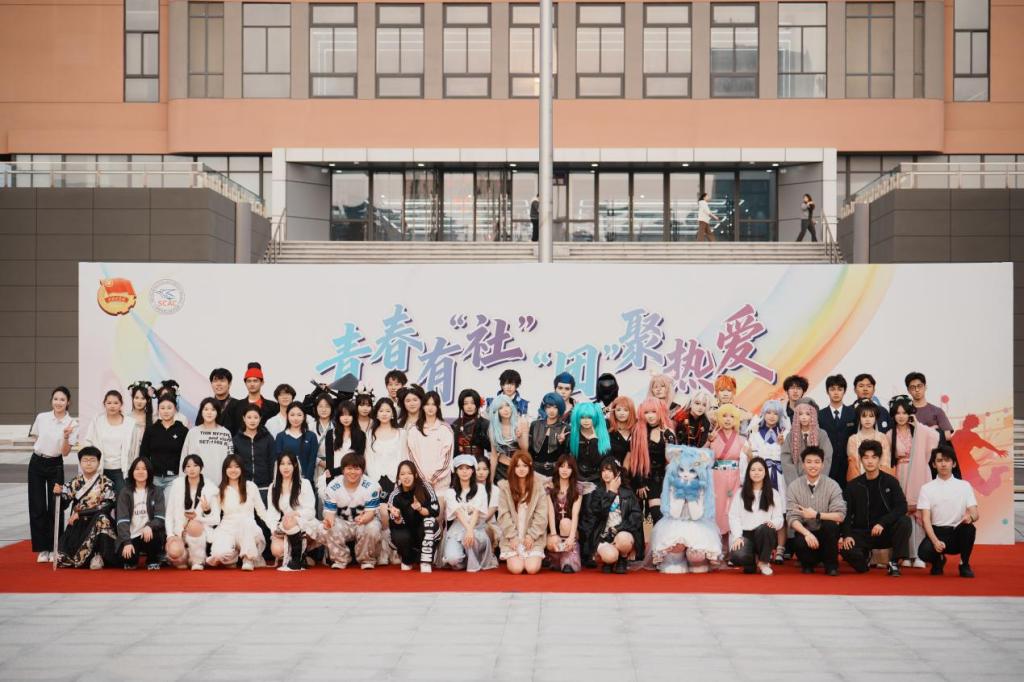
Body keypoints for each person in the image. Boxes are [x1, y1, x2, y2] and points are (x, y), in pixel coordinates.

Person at [840, 440, 912, 577]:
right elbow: (846, 514)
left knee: (904, 521)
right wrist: (847, 535)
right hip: (862, 533)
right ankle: (864, 559)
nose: (870, 461)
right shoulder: (853, 486)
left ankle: (894, 562)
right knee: (846, 549)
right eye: (866, 457)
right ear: (861, 460)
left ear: (879, 459)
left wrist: (882, 522)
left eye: (874, 457)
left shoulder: (890, 481)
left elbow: (902, 506)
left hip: (885, 531)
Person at [648, 445, 721, 574]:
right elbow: (674, 513)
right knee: (674, 548)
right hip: (675, 523)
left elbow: (696, 515)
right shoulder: (673, 487)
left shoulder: (701, 488)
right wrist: (681, 496)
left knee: (697, 555)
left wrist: (691, 497)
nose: (686, 474)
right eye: (681, 470)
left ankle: (694, 562)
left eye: (692, 471)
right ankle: (677, 561)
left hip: (697, 524)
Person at [28, 386, 78, 563]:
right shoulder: (42, 417)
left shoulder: (72, 424)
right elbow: (36, 439)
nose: (58, 402)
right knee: (37, 506)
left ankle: (55, 547)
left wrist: (66, 437)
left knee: (55, 506)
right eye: (56, 399)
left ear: (68, 402)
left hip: (55, 464)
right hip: (36, 462)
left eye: (62, 400)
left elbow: (65, 452)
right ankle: (43, 549)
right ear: (51, 400)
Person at [889, 395, 939, 568]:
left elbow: (935, 437)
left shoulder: (918, 431)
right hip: (900, 474)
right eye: (897, 413)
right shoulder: (889, 434)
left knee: (920, 512)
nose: (901, 416)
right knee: (903, 513)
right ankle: (905, 554)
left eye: (904, 412)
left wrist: (917, 424)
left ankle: (919, 555)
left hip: (919, 472)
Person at [917, 445, 979, 578]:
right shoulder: (926, 488)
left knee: (969, 529)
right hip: (937, 532)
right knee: (923, 553)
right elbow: (926, 519)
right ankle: (938, 560)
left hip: (956, 532)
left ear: (954, 463)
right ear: (934, 464)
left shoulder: (964, 486)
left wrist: (970, 518)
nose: (943, 464)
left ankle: (964, 564)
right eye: (939, 461)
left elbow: (975, 513)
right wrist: (935, 541)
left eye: (947, 460)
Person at [786, 446, 846, 576]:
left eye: (817, 462)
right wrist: (807, 533)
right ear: (803, 464)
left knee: (831, 526)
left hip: (825, 535)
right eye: (809, 462)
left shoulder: (832, 485)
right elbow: (791, 517)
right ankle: (808, 564)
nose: (813, 466)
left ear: (823, 465)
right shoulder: (794, 486)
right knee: (799, 540)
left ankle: (831, 566)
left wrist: (816, 515)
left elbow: (840, 515)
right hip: (806, 533)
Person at [55, 446, 117, 569]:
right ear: (80, 463)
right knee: (61, 558)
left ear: (99, 462)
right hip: (79, 523)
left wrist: (81, 513)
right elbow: (63, 504)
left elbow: (106, 506)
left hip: (98, 521)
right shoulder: (75, 482)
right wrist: (58, 493)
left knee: (102, 519)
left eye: (92, 460)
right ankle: (88, 558)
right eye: (85, 460)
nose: (88, 463)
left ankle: (98, 555)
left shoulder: (106, 482)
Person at [743, 400, 789, 563]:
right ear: (763, 414)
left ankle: (781, 549)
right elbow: (750, 456)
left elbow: (790, 456)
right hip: (762, 475)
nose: (772, 416)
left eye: (775, 413)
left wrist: (784, 445)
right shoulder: (755, 433)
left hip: (780, 476)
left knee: (781, 512)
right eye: (768, 412)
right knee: (762, 510)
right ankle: (765, 548)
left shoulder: (785, 433)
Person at [580, 456, 643, 574]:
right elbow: (598, 514)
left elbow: (636, 517)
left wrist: (619, 528)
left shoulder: (627, 492)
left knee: (624, 540)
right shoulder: (597, 492)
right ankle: (610, 560)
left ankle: (622, 558)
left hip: (622, 533)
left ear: (617, 472)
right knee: (610, 557)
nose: (606, 473)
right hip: (603, 536)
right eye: (603, 470)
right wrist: (611, 493)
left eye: (609, 470)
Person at [321, 452, 384, 570]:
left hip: (364, 520)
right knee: (330, 527)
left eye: (357, 469)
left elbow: (370, 513)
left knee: (372, 527)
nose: (353, 472)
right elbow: (330, 513)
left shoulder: (371, 486)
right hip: (343, 522)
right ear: (343, 470)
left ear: (362, 470)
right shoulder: (333, 486)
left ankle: (366, 559)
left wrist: (363, 519)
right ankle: (340, 559)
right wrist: (329, 521)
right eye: (349, 468)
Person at [207, 454, 270, 571]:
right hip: (227, 528)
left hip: (249, 529)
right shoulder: (220, 490)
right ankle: (232, 558)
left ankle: (248, 559)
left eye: (236, 467)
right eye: (230, 467)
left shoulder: (250, 486)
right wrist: (207, 510)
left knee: (246, 522)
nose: (233, 470)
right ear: (225, 470)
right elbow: (215, 517)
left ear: (241, 469)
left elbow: (262, 512)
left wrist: (274, 528)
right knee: (218, 555)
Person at [728, 457, 784, 576]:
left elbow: (779, 518)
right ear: (748, 473)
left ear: (765, 472)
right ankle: (751, 562)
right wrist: (737, 537)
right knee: (737, 556)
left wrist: (773, 523)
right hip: (745, 535)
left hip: (764, 534)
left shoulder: (773, 493)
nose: (756, 473)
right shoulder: (740, 493)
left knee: (767, 528)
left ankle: (763, 562)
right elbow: (734, 517)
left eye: (760, 469)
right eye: (753, 470)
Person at [441, 454, 497, 572]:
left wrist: (470, 530)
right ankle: (466, 560)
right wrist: (468, 529)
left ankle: (475, 558)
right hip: (457, 530)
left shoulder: (480, 489)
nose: (464, 471)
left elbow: (476, 512)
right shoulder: (450, 492)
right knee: (452, 559)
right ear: (456, 471)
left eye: (468, 468)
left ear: (472, 471)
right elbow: (458, 513)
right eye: (461, 468)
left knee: (473, 537)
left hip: (476, 529)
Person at [496, 451, 549, 575]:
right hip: (512, 538)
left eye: (525, 466)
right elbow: (503, 515)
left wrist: (531, 536)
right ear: (513, 467)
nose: (521, 469)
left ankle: (531, 555)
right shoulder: (505, 487)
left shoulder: (538, 487)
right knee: (516, 569)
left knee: (531, 569)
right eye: (518, 466)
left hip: (533, 538)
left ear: (530, 466)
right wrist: (512, 537)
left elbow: (541, 515)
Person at [164, 454, 218, 571]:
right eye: (188, 466)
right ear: (184, 469)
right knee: (175, 553)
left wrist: (206, 511)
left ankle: (198, 560)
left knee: (194, 525)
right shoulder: (177, 485)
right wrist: (170, 535)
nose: (192, 469)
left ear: (201, 467)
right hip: (180, 530)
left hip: (200, 532)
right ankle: (185, 557)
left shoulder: (210, 488)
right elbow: (169, 513)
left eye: (195, 465)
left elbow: (216, 519)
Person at [625, 398, 676, 524]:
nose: (650, 416)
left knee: (662, 516)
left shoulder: (668, 432)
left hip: (662, 478)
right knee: (649, 516)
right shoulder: (637, 431)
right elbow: (634, 460)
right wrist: (640, 482)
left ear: (660, 411)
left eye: (654, 411)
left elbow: (672, 460)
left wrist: (669, 440)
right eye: (646, 412)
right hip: (643, 478)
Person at [266, 452, 319, 572]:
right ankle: (302, 557)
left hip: (304, 522)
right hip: (285, 525)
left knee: (290, 520)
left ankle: (297, 559)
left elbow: (311, 511)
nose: (286, 467)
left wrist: (295, 514)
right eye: (282, 464)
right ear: (278, 466)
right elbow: (271, 513)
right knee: (276, 550)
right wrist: (274, 529)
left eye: (289, 463)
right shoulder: (273, 487)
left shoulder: (304, 484)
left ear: (295, 465)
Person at [389, 460, 441, 572]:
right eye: (402, 474)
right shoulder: (395, 495)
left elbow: (435, 510)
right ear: (398, 477)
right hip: (407, 531)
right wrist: (397, 517)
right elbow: (394, 523)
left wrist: (420, 509)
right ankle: (407, 559)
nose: (406, 477)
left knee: (429, 522)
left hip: (425, 530)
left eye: (409, 473)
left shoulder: (425, 487)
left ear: (415, 475)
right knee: (399, 534)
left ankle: (426, 560)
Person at [115, 457, 166, 570]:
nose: (140, 472)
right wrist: (127, 542)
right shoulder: (125, 492)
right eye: (137, 469)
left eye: (144, 469)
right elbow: (122, 520)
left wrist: (149, 526)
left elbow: (160, 517)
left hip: (148, 534)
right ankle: (133, 557)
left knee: (155, 535)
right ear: (132, 472)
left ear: (149, 472)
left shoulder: (156, 491)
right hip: (131, 535)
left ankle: (153, 560)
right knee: (128, 560)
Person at [80, 390, 132, 496]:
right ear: (104, 404)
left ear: (121, 404)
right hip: (100, 469)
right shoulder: (97, 421)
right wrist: (90, 464)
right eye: (109, 403)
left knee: (122, 499)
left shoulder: (130, 423)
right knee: (100, 501)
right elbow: (88, 443)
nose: (112, 406)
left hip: (121, 471)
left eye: (116, 403)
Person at [709, 403, 747, 542]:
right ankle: (716, 541)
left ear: (736, 419)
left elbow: (748, 460)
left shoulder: (742, 439)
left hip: (735, 476)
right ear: (719, 418)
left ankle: (733, 541)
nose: (728, 419)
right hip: (717, 476)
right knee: (717, 506)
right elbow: (705, 457)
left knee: (732, 506)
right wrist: (709, 441)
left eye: (732, 416)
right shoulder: (713, 437)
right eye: (724, 416)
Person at [407, 390, 454, 495]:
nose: (430, 407)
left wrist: (434, 478)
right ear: (423, 406)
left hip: (441, 485)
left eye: (434, 404)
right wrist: (423, 478)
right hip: (420, 483)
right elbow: (412, 456)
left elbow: (447, 458)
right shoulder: (413, 429)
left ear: (438, 407)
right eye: (427, 404)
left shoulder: (445, 429)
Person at [139, 394, 188, 493]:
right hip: (154, 478)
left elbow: (186, 455)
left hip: (174, 478)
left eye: (169, 408)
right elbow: (144, 454)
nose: (166, 411)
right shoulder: (151, 430)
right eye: (162, 408)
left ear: (175, 409)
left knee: (168, 501)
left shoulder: (183, 430)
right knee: (154, 503)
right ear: (158, 410)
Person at [546, 454, 584, 573]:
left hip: (571, 529)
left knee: (565, 522)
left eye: (568, 467)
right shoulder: (550, 486)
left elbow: (575, 513)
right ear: (557, 468)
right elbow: (550, 512)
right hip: (554, 529)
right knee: (551, 543)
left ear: (573, 470)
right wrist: (553, 534)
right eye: (562, 466)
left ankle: (569, 560)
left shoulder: (577, 487)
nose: (565, 470)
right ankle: (557, 560)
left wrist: (572, 537)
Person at [782, 399, 833, 487]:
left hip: (817, 482)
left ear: (813, 415)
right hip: (797, 483)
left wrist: (816, 480)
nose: (804, 417)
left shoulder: (821, 434)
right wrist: (795, 483)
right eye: (800, 414)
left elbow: (827, 457)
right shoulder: (790, 436)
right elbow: (786, 460)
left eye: (808, 414)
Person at [183, 398, 234, 487]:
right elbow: (184, 457)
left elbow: (230, 459)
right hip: (196, 483)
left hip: (220, 483)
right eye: (206, 409)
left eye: (213, 409)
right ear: (201, 412)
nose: (209, 412)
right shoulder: (193, 432)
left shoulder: (225, 433)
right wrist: (183, 481)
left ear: (218, 412)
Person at [233, 403, 276, 504]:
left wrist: (273, 484)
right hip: (244, 486)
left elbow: (273, 462)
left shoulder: (268, 438)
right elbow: (234, 464)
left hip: (264, 487)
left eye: (256, 417)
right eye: (249, 417)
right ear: (244, 418)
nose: (252, 421)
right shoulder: (236, 440)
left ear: (260, 418)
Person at [819, 374, 857, 489]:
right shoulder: (820, 415)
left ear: (844, 391)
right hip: (827, 465)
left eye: (840, 389)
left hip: (849, 465)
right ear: (827, 391)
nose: (836, 393)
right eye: (832, 389)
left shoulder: (853, 413)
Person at [365, 397, 407, 498]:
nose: (384, 414)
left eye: (388, 411)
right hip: (376, 480)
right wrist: (374, 481)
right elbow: (368, 459)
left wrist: (400, 478)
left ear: (393, 414)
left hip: (397, 480)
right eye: (381, 411)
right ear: (376, 414)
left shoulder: (401, 433)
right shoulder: (369, 434)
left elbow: (404, 457)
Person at [274, 403, 319, 489]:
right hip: (286, 482)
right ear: (287, 416)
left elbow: (312, 461)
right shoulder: (280, 436)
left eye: (299, 415)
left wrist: (307, 481)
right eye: (292, 415)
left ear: (304, 417)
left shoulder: (311, 436)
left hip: (306, 481)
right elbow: (279, 461)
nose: (295, 418)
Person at [324, 400, 366, 491]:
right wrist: (330, 475)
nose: (346, 418)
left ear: (354, 416)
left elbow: (359, 459)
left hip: (353, 476)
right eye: (342, 415)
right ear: (338, 417)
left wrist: (336, 471)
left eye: (349, 415)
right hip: (334, 478)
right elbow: (329, 458)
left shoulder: (361, 435)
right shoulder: (331, 434)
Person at [846, 400, 892, 481]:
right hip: (859, 481)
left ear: (876, 418)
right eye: (864, 416)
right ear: (859, 418)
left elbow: (885, 463)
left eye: (871, 416)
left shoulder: (883, 438)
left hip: (880, 480)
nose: (867, 420)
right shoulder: (853, 439)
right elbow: (853, 465)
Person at [487, 394, 528, 483]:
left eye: (507, 405)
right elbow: (494, 455)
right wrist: (490, 480)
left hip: (519, 468)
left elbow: (525, 450)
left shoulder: (521, 422)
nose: (506, 410)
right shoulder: (493, 428)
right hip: (501, 469)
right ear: (496, 411)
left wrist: (519, 437)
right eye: (501, 408)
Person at [569, 401, 612, 485]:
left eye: (589, 417)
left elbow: (596, 462)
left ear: (595, 418)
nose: (586, 421)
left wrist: (594, 441)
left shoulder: (603, 436)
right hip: (577, 479)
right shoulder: (573, 436)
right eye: (582, 417)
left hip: (598, 480)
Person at [528, 392, 568, 478]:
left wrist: (561, 443)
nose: (551, 410)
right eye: (548, 407)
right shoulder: (535, 424)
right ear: (544, 408)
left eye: (555, 407)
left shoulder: (565, 428)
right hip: (535, 470)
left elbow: (566, 456)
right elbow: (529, 449)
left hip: (555, 472)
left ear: (560, 408)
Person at [904, 372, 953, 440]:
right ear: (908, 390)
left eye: (919, 386)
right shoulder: (904, 412)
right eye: (913, 387)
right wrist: (932, 430)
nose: (917, 390)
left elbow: (947, 435)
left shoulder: (937, 411)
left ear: (925, 387)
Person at [231, 362, 278, 428]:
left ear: (262, 382)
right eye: (249, 381)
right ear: (245, 383)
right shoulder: (237, 406)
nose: (252, 384)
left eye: (255, 381)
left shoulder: (273, 407)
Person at [452, 388, 490, 459]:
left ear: (477, 404)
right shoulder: (455, 425)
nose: (469, 406)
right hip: (460, 462)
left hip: (480, 462)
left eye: (472, 403)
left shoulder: (485, 423)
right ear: (461, 406)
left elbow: (491, 449)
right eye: (466, 403)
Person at [310, 394, 335, 485]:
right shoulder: (310, 426)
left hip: (333, 465)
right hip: (315, 465)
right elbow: (307, 449)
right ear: (316, 408)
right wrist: (319, 461)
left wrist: (330, 463)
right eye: (320, 406)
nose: (324, 410)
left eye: (327, 406)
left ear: (332, 408)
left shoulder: (336, 427)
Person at [208, 367, 240, 435]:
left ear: (229, 384)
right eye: (215, 381)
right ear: (211, 384)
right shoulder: (206, 405)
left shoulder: (239, 405)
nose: (218, 384)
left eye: (222, 380)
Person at [127, 381, 153, 461]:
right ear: (132, 398)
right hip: (129, 458)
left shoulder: (152, 419)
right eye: (136, 398)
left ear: (148, 400)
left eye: (143, 398)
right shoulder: (126, 418)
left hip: (146, 459)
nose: (139, 401)